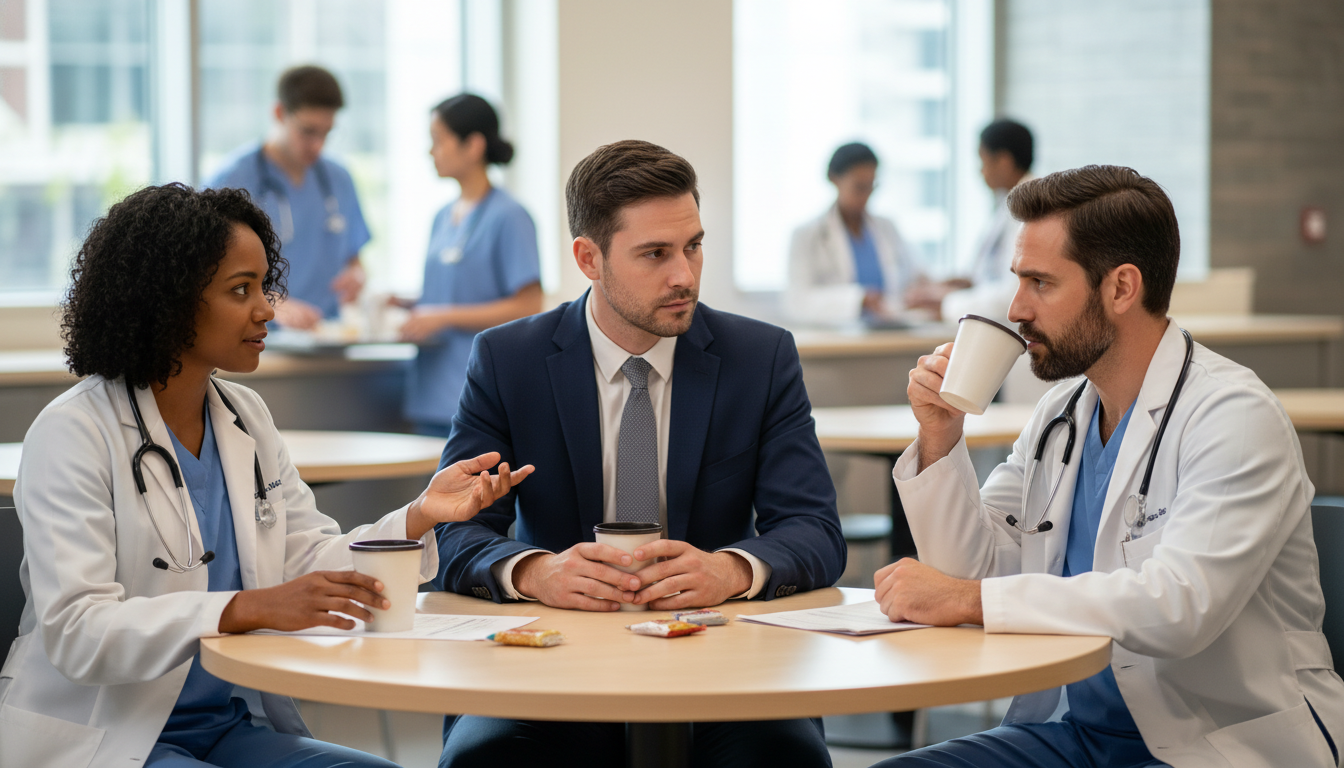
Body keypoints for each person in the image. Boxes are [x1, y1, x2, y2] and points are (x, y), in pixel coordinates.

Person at [1, 184, 531, 768]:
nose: (267, 309)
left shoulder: (244, 417)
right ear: (169, 299)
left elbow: (305, 561)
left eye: (263, 285)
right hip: (107, 731)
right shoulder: (74, 432)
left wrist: (419, 515)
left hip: (223, 728)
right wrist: (247, 608)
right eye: (239, 290)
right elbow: (79, 631)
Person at [873, 165, 1344, 767]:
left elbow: (1180, 606)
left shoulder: (1233, 414)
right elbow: (979, 569)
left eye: (1040, 283)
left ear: (1121, 288)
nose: (1016, 309)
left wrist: (968, 600)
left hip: (1221, 741)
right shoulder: (1060, 415)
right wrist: (941, 435)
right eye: (1017, 280)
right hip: (1079, 736)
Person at [431, 140, 846, 767]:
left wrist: (731, 569)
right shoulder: (507, 360)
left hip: (723, 662)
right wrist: (534, 571)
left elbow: (815, 531)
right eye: (655, 253)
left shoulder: (759, 358)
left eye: (693, 246)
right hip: (551, 664)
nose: (684, 275)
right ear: (588, 258)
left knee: (783, 760)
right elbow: (450, 533)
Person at [396, 93, 543, 437]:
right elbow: (454, 288)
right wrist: (407, 302)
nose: (430, 151)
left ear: (473, 145)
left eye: (438, 141)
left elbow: (528, 306)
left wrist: (442, 316)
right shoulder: (441, 218)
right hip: (431, 393)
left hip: (476, 393)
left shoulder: (510, 217)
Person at [204, 65, 371, 330]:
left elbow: (354, 257)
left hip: (325, 337)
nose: (318, 145)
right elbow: (207, 273)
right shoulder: (231, 181)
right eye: (308, 131)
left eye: (327, 133)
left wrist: (357, 276)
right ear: (279, 113)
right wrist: (270, 301)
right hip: (256, 338)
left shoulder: (339, 179)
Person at [786, 142, 955, 326]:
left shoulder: (887, 228)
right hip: (837, 340)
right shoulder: (807, 235)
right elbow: (798, 303)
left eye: (871, 186)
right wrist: (859, 299)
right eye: (859, 187)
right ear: (834, 179)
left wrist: (936, 289)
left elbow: (916, 276)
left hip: (891, 334)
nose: (866, 195)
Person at [942, 118, 1035, 324]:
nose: (981, 171)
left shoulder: (1031, 208)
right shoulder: (1009, 203)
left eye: (983, 162)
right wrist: (968, 283)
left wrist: (947, 303)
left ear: (1003, 162)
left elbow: (1015, 291)